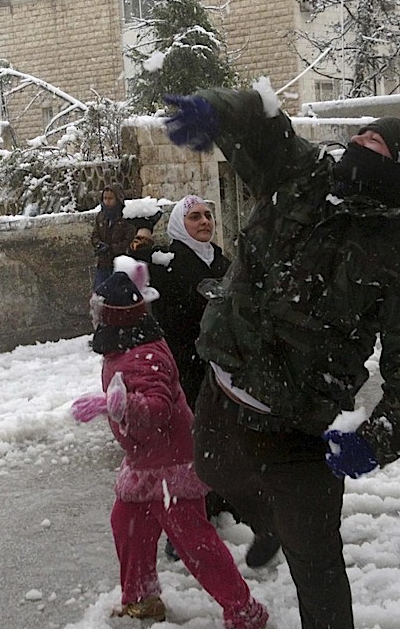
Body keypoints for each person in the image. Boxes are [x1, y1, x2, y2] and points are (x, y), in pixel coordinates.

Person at [164, 88, 400, 629]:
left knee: (316, 563)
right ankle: (267, 521)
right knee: (211, 468)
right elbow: (265, 127)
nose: (358, 141)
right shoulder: (303, 177)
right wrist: (219, 109)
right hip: (223, 389)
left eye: (375, 143)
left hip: (299, 427)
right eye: (360, 133)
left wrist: (378, 438)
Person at [72, 265, 269, 629]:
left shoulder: (143, 355)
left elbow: (158, 409)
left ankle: (243, 609)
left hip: (170, 464)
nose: (93, 317)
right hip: (144, 460)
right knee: (128, 524)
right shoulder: (127, 346)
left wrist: (118, 406)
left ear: (111, 318)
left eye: (97, 312)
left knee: (194, 542)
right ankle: (142, 598)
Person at [131, 195, 280, 567]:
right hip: (187, 370)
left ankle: (230, 510)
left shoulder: (225, 263)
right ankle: (189, 523)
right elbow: (130, 281)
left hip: (226, 370)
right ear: (180, 225)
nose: (204, 222)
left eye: (208, 216)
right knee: (193, 450)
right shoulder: (166, 263)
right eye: (194, 217)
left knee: (231, 446)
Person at [90, 183, 136, 291]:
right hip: (103, 263)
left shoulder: (126, 218)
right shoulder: (101, 216)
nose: (107, 202)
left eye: (110, 199)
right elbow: (95, 235)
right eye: (105, 198)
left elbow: (129, 241)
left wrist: (112, 248)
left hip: (120, 264)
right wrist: (99, 245)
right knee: (99, 293)